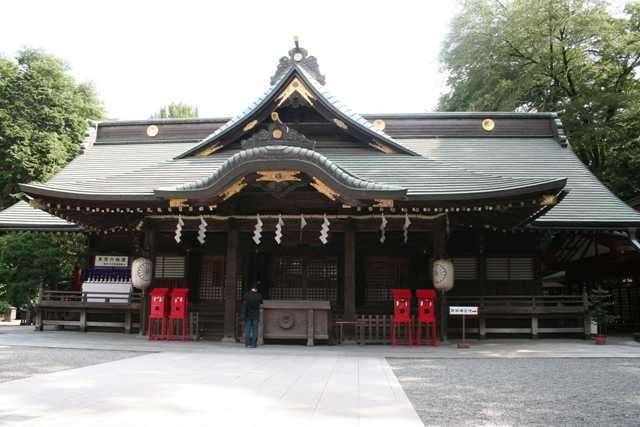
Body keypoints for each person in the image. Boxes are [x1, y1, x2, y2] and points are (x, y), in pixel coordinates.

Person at [241, 283, 263, 348]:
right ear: (256, 289)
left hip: (248, 315)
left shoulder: (246, 295)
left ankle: (247, 343)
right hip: (256, 315)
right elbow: (261, 302)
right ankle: (254, 344)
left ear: (251, 288)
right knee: (255, 330)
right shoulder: (259, 295)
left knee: (247, 329)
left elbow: (244, 305)